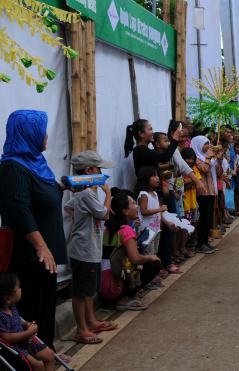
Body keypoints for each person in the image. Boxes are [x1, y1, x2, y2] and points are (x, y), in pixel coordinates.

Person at [0, 110, 65, 348]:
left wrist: (68, 187)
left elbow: (44, 195)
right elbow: (18, 210)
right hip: (30, 255)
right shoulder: (12, 168)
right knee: (32, 306)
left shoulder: (35, 163)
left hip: (44, 254)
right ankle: (34, 356)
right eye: (42, 130)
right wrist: (41, 247)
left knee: (46, 303)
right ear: (28, 133)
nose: (46, 136)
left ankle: (47, 350)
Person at [65, 151, 117, 344]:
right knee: (81, 291)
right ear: (89, 171)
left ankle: (90, 321)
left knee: (87, 289)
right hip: (84, 249)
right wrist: (108, 193)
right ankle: (81, 329)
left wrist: (81, 219)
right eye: (99, 169)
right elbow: (104, 214)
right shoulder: (87, 193)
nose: (102, 173)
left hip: (88, 248)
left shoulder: (85, 194)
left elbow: (69, 208)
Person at [104, 189, 161, 311]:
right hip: (114, 288)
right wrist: (151, 257)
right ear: (125, 211)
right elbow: (136, 259)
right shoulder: (126, 230)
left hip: (103, 286)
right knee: (154, 263)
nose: (137, 206)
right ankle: (126, 297)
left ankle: (122, 296)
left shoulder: (108, 229)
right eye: (133, 204)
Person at [0, 273, 56, 371]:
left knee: (50, 355)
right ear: (8, 298)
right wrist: (28, 332)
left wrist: (26, 324)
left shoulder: (12, 307)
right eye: (18, 288)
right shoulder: (1, 316)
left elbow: (17, 321)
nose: (21, 290)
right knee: (38, 366)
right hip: (15, 348)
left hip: (26, 342)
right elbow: (7, 338)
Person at [192, 136, 222, 254]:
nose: (208, 146)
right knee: (204, 217)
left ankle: (205, 242)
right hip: (202, 192)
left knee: (208, 217)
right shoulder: (196, 158)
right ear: (198, 145)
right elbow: (204, 169)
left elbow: (219, 173)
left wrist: (219, 159)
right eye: (205, 144)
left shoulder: (208, 157)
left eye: (209, 143)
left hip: (211, 190)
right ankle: (200, 244)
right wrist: (209, 158)